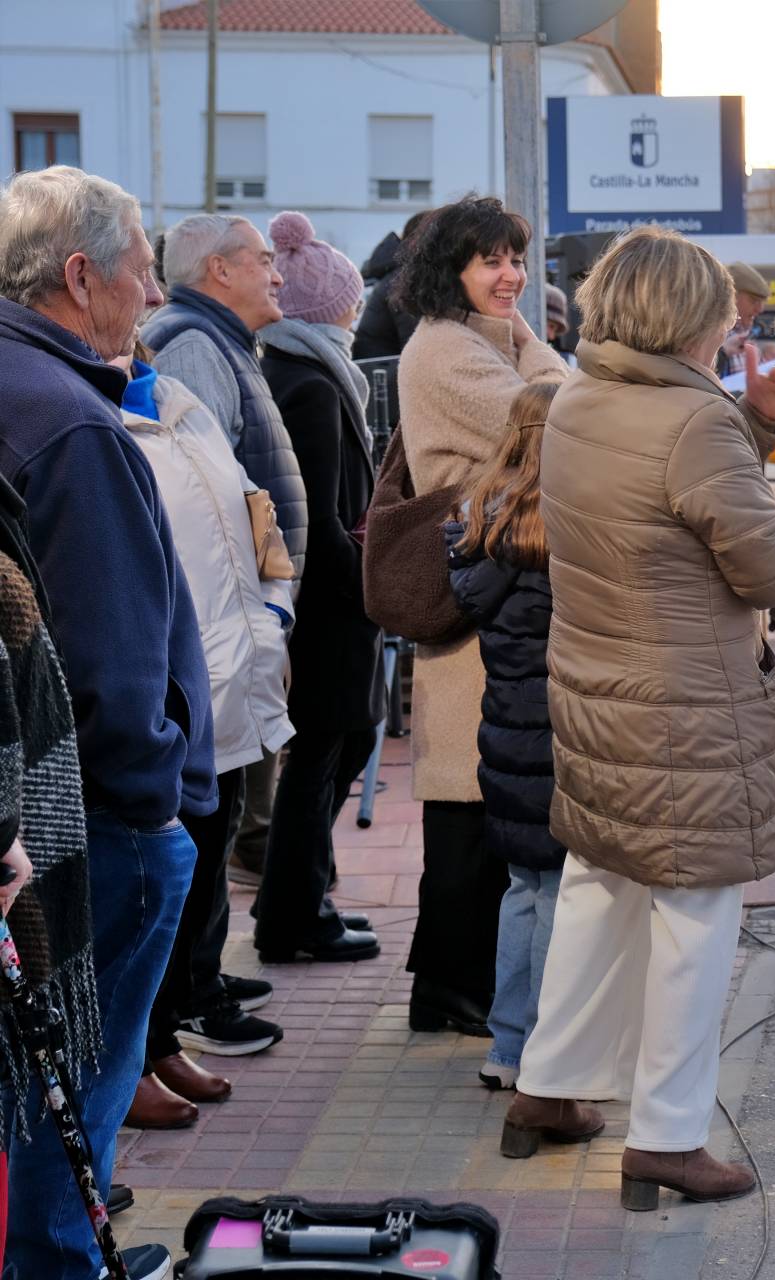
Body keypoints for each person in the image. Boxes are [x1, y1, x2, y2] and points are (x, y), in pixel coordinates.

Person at [500, 226, 775, 1212]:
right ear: (689, 315)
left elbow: (663, 515)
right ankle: (670, 1137)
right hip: (683, 702)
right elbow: (761, 562)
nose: (734, 324)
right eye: (724, 309)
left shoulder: (580, 395)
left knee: (600, 886)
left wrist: (747, 428)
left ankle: (547, 1088)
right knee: (696, 910)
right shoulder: (693, 420)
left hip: (598, 688)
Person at [0, 165, 209, 1280]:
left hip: (31, 819)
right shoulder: (68, 421)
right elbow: (114, 662)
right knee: (71, 1087)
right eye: (142, 268)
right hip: (89, 825)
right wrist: (154, 797)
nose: (152, 292)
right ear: (81, 277)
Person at [392, 196, 569, 1035]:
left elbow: (548, 387)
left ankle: (451, 981)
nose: (510, 276)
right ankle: (452, 988)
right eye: (489, 262)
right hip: (476, 595)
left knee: (478, 800)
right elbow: (555, 419)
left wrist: (516, 322)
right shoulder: (446, 353)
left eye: (515, 259)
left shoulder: (478, 340)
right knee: (468, 806)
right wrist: (524, 334)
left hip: (489, 591)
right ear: (450, 271)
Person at [116, 347, 292, 1129]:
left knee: (204, 860)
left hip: (230, 670)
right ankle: (134, 1052)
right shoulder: (96, 415)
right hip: (168, 687)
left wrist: (275, 607)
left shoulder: (180, 398)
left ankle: (160, 1038)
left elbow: (253, 512)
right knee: (156, 881)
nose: (150, 290)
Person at [256, 211, 387, 962]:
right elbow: (321, 518)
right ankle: (293, 918)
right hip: (328, 609)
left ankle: (308, 903)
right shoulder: (308, 382)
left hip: (326, 606)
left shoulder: (306, 369)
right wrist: (372, 586)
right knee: (321, 759)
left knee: (340, 745)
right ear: (337, 307)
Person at [445, 382, 564, 1093]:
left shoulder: (479, 516)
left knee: (523, 888)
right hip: (561, 732)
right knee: (558, 893)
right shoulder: (567, 522)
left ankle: (507, 1044)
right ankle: (546, 1049)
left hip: (502, 730)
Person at [144, 213, 308, 579]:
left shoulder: (219, 340)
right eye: (265, 261)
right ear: (221, 270)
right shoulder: (191, 348)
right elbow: (203, 509)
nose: (278, 277)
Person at [351, 208, 430, 362]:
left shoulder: (404, 274)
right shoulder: (407, 281)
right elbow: (416, 347)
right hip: (381, 374)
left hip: (384, 366)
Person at [715, 260, 769, 380]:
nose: (760, 310)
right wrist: (723, 353)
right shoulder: (709, 334)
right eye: (754, 301)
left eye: (761, 303)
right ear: (731, 296)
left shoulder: (746, 336)